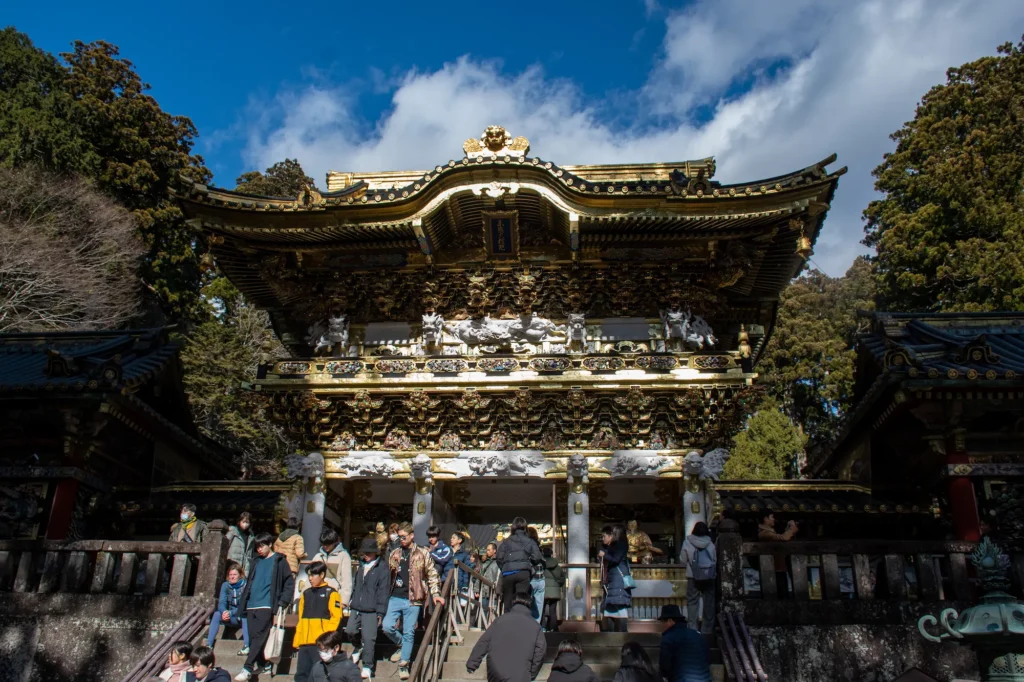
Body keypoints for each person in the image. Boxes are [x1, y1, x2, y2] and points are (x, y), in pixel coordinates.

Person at [384, 521, 445, 681]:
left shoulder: (422, 553)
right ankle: (402, 645)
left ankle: (404, 663)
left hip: (414, 598)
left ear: (412, 536)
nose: (401, 540)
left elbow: (432, 574)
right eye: (399, 537)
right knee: (387, 626)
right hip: (395, 595)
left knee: (409, 631)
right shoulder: (395, 553)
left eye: (404, 537)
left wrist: (435, 593)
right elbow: (388, 575)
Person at [235, 532, 295, 682]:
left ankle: (247, 667)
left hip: (267, 605)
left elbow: (289, 583)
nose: (259, 549)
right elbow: (249, 583)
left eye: (262, 546)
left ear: (270, 544)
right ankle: (264, 664)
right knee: (256, 637)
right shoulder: (256, 561)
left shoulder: (280, 561)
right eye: (257, 547)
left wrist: (283, 601)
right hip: (251, 604)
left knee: (258, 637)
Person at [465, 590, 546, 682]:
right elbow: (540, 652)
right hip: (520, 673)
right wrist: (531, 674)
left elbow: (484, 642)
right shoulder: (536, 627)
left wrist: (472, 663)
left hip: (495, 671)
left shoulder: (499, 621)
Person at [347, 537, 391, 680]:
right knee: (350, 630)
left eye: (368, 552)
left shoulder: (382, 568)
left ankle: (367, 666)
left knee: (369, 638)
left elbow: (383, 591)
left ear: (374, 553)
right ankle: (357, 646)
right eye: (364, 552)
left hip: (371, 609)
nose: (365, 555)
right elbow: (355, 586)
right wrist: (351, 600)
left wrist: (381, 612)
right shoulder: (360, 566)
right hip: (356, 606)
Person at [293, 561, 343, 682]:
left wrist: (326, 640)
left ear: (321, 574)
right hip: (305, 642)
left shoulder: (331, 593)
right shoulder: (305, 594)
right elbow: (301, 619)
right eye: (309, 575)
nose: (310, 578)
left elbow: (336, 617)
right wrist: (297, 640)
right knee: (301, 674)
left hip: (321, 644)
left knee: (320, 674)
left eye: (313, 575)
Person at [496, 517, 543, 612]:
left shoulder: (506, 542)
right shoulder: (530, 541)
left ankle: (508, 623)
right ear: (525, 527)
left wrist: (505, 567)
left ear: (513, 527)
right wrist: (529, 564)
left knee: (508, 600)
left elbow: (499, 558)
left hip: (508, 573)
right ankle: (520, 621)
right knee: (521, 600)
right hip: (523, 572)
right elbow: (537, 557)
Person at [680, 522, 716, 634]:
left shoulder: (687, 542)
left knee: (692, 602)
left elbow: (683, 560)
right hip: (709, 575)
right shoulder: (710, 543)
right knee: (709, 602)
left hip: (693, 576)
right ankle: (707, 629)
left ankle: (692, 628)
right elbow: (714, 559)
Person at [658, 605, 711, 682]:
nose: (662, 625)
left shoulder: (668, 638)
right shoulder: (698, 635)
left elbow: (664, 667)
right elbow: (708, 660)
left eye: (662, 622)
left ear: (670, 621)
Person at [207, 565, 250, 655]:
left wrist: (231, 612)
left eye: (234, 574)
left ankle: (247, 646)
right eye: (230, 574)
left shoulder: (246, 585)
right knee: (217, 614)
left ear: (240, 575)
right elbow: (222, 602)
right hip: (231, 617)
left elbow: (245, 606)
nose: (232, 577)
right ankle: (209, 645)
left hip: (242, 616)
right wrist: (224, 612)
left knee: (245, 616)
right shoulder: (225, 585)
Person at [599, 524, 632, 633]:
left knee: (619, 607)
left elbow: (615, 559)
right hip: (613, 581)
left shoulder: (621, 546)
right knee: (611, 607)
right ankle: (612, 632)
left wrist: (605, 555)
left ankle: (621, 632)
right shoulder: (614, 546)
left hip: (618, 581)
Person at [313, 527, 353, 612]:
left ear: (334, 542)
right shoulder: (318, 557)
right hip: (317, 596)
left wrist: (344, 601)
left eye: (328, 544)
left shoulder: (343, 556)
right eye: (323, 544)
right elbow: (310, 577)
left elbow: (347, 580)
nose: (325, 546)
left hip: (334, 596)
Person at [757, 513, 797, 597]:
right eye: (772, 517)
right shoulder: (764, 533)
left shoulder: (770, 532)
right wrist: (792, 528)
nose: (773, 519)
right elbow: (783, 538)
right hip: (774, 570)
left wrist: (788, 529)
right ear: (765, 518)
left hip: (779, 568)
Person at [541, 545, 564, 632]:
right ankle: (552, 628)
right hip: (554, 592)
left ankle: (543, 627)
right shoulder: (558, 567)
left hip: (543, 590)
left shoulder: (541, 566)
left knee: (542, 609)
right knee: (552, 610)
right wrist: (557, 585)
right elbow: (562, 579)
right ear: (551, 554)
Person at [526, 527, 546, 623]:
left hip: (531, 578)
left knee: (527, 604)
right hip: (541, 578)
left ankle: (527, 628)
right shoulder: (539, 547)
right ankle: (536, 627)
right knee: (538, 607)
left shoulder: (526, 546)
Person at [477, 542, 501, 614]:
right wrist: (476, 589)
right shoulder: (485, 563)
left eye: (489, 550)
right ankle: (482, 625)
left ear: (494, 551)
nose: (487, 552)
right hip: (484, 591)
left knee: (493, 612)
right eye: (487, 550)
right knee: (483, 611)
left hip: (494, 592)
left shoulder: (499, 562)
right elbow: (480, 576)